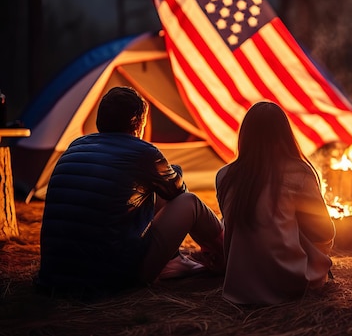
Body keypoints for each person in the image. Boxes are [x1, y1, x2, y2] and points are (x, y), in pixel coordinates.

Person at [37, 86, 224, 298]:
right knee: (189, 202)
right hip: (113, 277)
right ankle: (229, 253)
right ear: (139, 122)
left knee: (162, 179)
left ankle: (173, 260)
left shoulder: (76, 147)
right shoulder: (143, 153)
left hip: (55, 274)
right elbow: (178, 193)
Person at [216, 101, 335, 305]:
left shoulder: (224, 175)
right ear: (285, 136)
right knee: (308, 229)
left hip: (240, 288)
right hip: (289, 285)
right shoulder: (299, 172)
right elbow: (325, 232)